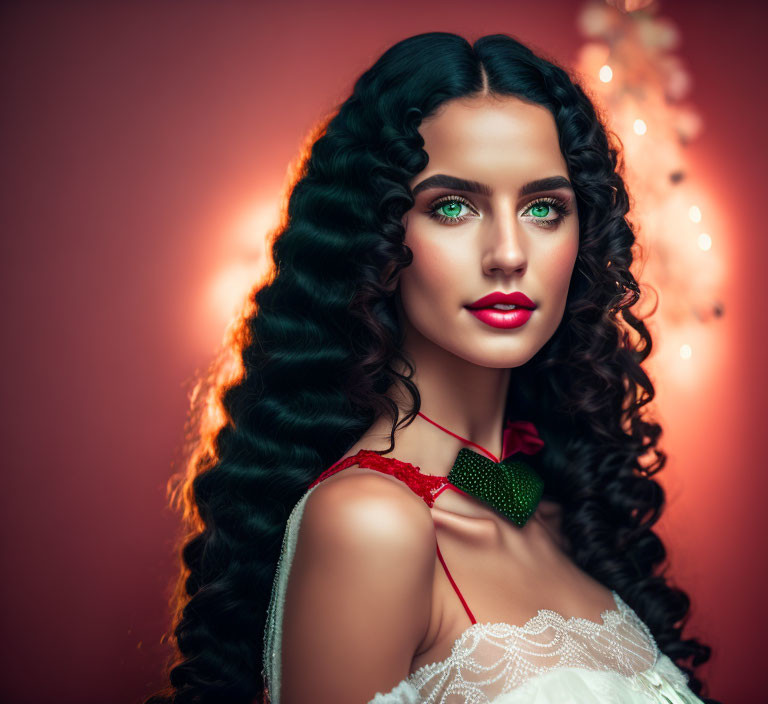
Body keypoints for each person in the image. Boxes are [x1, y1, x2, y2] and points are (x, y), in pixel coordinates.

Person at [146, 32, 718, 704]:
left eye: (544, 208)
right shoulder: (369, 525)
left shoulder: (529, 501)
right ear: (379, 233)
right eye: (452, 207)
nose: (508, 253)